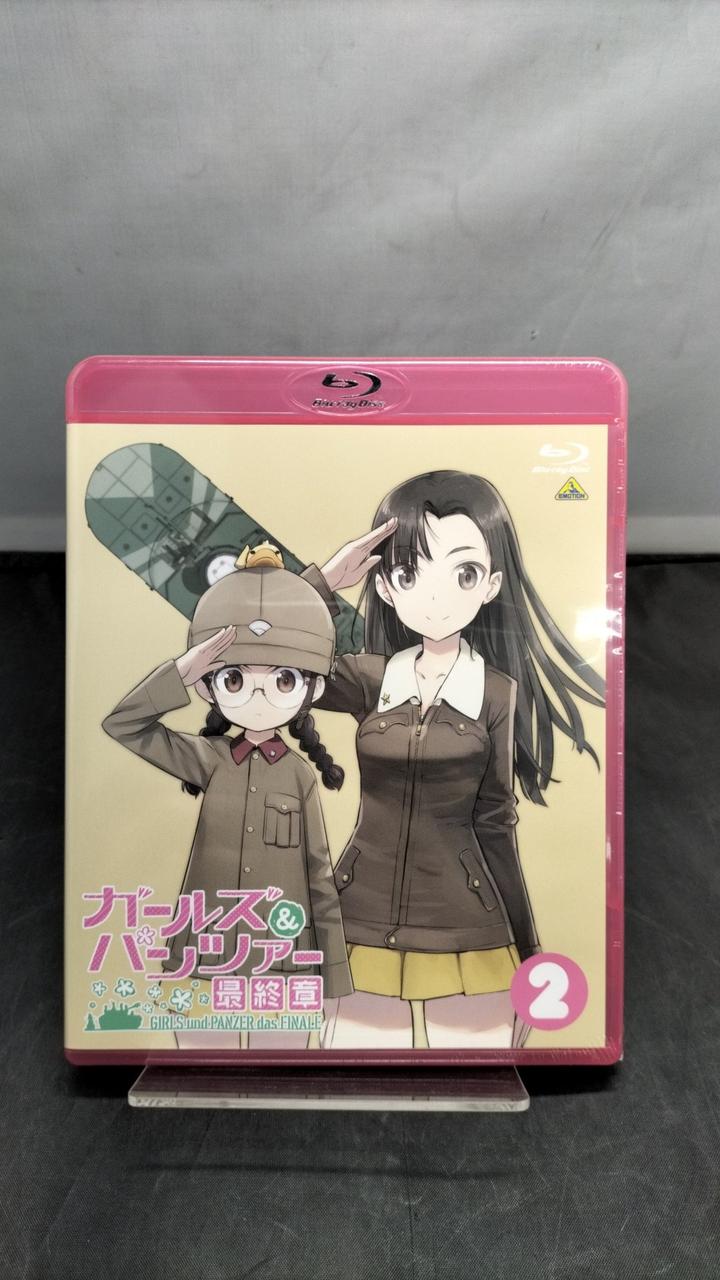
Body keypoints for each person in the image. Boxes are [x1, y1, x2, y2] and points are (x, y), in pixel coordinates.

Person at [300, 471, 604, 1049]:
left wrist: (528, 952)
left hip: (469, 927)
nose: (435, 597)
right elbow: (262, 653)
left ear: (490, 585)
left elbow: (495, 822)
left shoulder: (496, 694)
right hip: (358, 916)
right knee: (353, 1076)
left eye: (462, 573)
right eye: (409, 573)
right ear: (385, 587)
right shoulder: (369, 680)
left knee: (478, 1071)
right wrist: (323, 582)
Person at [102, 543, 352, 1049]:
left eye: (284, 679)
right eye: (234, 678)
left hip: (283, 961)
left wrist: (334, 982)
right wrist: (180, 672)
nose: (258, 694)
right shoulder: (206, 759)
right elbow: (123, 725)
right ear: (208, 687)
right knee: (195, 1062)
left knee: (282, 1070)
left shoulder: (300, 777)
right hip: (203, 956)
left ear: (312, 690)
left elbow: (319, 878)